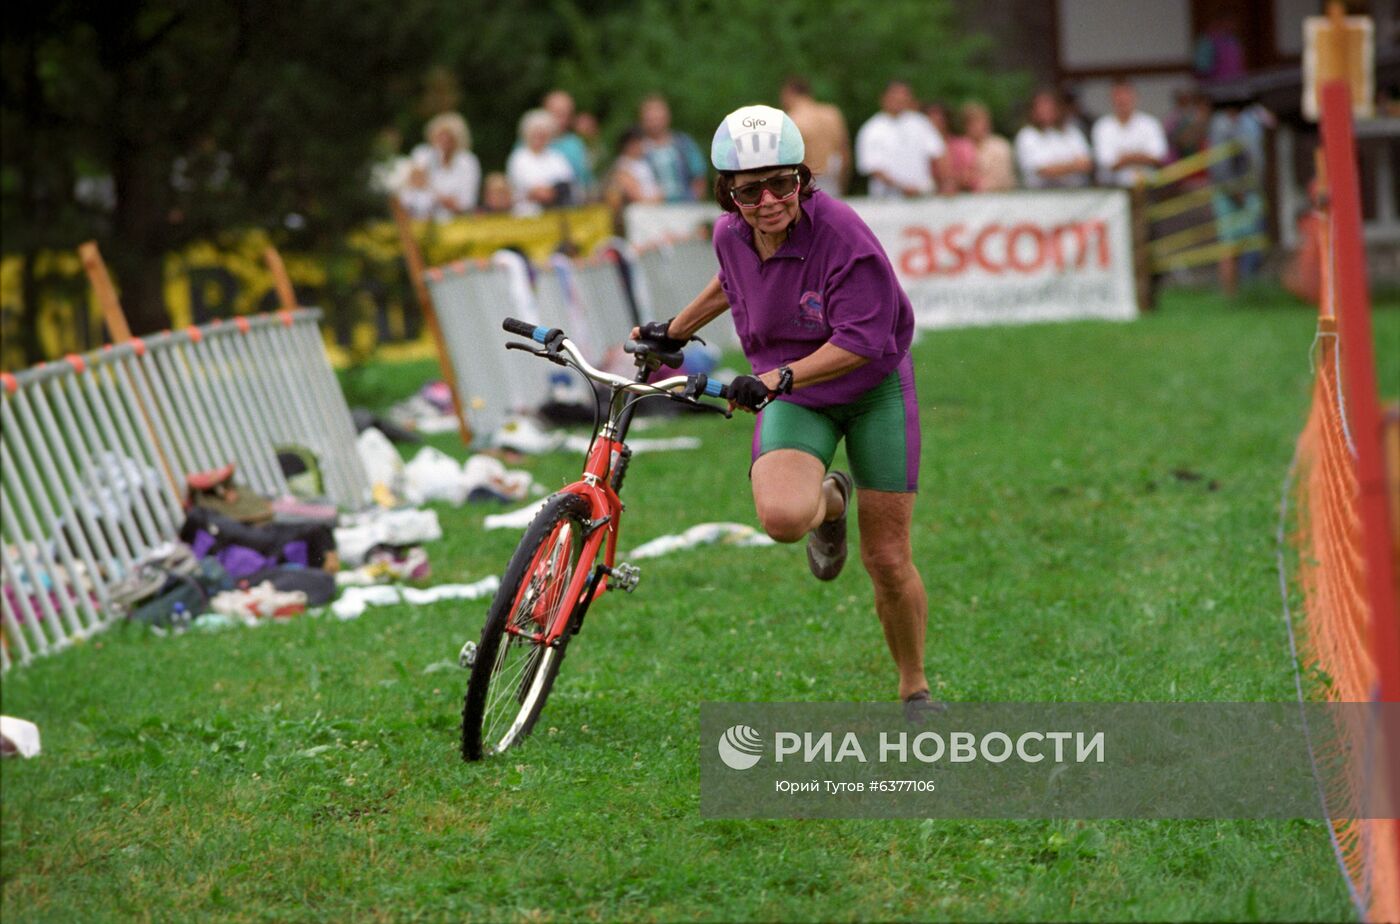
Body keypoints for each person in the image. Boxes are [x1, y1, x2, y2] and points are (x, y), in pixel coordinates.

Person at [629, 105, 936, 714]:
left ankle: (913, 687)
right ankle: (831, 501)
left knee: (887, 558)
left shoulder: (843, 233)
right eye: (750, 190)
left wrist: (775, 377)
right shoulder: (730, 234)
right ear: (727, 193)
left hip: (872, 388)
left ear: (802, 179)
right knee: (782, 520)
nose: (769, 200)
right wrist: (675, 331)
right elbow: (730, 279)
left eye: (783, 183)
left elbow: (860, 341)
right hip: (794, 393)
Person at [1208, 93, 1270, 294]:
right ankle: (1231, 293)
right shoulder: (1220, 126)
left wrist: (1248, 188)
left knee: (1252, 242)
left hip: (1248, 190)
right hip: (1229, 193)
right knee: (1229, 245)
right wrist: (1235, 190)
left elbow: (1256, 160)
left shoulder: (1250, 122)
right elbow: (1220, 164)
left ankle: (1249, 290)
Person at [856, 80, 948, 197]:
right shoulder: (872, 129)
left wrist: (946, 183)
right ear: (883, 98)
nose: (899, 99)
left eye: (904, 95)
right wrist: (902, 187)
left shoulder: (920, 122)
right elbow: (874, 168)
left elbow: (939, 154)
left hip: (922, 196)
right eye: (895, 95)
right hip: (886, 200)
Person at [780, 76, 852, 196]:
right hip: (833, 179)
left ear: (789, 93)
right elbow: (845, 153)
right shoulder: (832, 114)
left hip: (807, 181)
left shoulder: (791, 120)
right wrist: (843, 184)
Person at [1091, 78, 1167, 187]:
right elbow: (1107, 162)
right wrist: (1141, 156)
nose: (1122, 100)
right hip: (1113, 189)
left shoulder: (1150, 123)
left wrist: (1124, 158)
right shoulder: (1102, 126)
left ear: (1135, 96)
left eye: (1126, 94)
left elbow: (1158, 157)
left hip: (1148, 186)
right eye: (1118, 95)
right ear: (1111, 99)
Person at [1014, 89, 1092, 189]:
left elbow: (1087, 164)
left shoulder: (1071, 131)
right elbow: (1043, 170)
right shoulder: (1027, 135)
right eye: (1042, 106)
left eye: (1050, 105)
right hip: (1040, 195)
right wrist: (1074, 166)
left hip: (1075, 192)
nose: (1046, 110)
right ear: (1033, 110)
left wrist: (1058, 168)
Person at [409, 112, 481, 220]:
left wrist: (435, 195)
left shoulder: (468, 161)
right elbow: (414, 190)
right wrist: (443, 199)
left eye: (449, 137)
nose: (444, 141)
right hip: (423, 219)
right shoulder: (422, 155)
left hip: (457, 220)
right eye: (440, 136)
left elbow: (466, 202)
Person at [638, 93, 708, 202]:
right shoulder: (637, 148)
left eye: (658, 117)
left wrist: (693, 200)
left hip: (685, 205)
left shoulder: (684, 143)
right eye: (650, 118)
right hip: (651, 207)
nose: (655, 123)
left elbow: (699, 177)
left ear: (667, 117)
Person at [505, 108, 575, 217]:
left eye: (543, 133)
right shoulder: (519, 158)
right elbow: (536, 192)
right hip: (526, 216)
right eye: (536, 133)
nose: (539, 137)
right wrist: (552, 190)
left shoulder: (557, 157)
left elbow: (567, 184)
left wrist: (550, 192)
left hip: (556, 215)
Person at [542, 89, 597, 202]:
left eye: (566, 114)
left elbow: (586, 178)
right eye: (557, 113)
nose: (561, 119)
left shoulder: (576, 143)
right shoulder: (532, 141)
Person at [957, 101, 1016, 192]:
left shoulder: (1000, 146)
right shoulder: (958, 147)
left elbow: (1003, 179)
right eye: (972, 123)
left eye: (980, 121)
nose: (977, 126)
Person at [609, 126, 663, 206]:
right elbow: (634, 194)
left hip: (653, 206)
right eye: (639, 142)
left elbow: (659, 188)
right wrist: (654, 201)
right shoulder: (622, 165)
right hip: (638, 209)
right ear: (629, 144)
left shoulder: (645, 162)